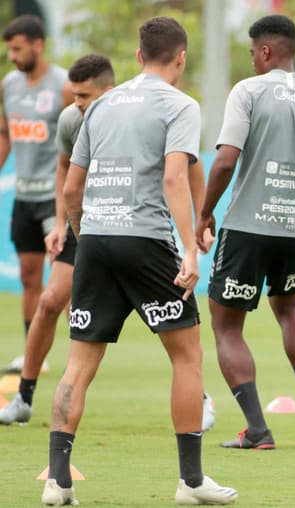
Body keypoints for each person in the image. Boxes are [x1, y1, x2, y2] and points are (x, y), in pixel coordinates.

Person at [42, 17, 237, 506]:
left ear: (136, 56)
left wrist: (89, 246)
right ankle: (191, 482)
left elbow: (71, 189)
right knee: (187, 356)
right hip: (146, 241)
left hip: (96, 242)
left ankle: (57, 481)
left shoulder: (101, 104)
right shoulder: (180, 104)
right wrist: (189, 250)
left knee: (79, 364)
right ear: (181, 58)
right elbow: (176, 177)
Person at [0, 53, 216, 432]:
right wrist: (61, 225)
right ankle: (24, 398)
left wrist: (201, 218)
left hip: (137, 231)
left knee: (171, 331)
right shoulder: (72, 119)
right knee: (51, 301)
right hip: (88, 225)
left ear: (109, 90)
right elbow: (67, 172)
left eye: (84, 95)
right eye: (76, 96)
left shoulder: (136, 111)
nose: (78, 103)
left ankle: (198, 397)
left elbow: (188, 170)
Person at [196, 14, 295, 450]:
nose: (251, 63)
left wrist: (205, 212)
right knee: (290, 310)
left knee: (227, 327)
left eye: (251, 54)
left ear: (264, 51)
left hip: (247, 227)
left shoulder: (248, 91)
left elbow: (225, 160)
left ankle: (257, 429)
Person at [0, 15, 73, 373]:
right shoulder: (9, 85)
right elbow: (4, 134)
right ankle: (33, 356)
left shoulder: (63, 85)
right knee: (30, 278)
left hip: (54, 198)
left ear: (37, 44)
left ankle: (81, 347)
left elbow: (82, 139)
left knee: (66, 279)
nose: (12, 55)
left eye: (17, 48)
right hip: (24, 198)